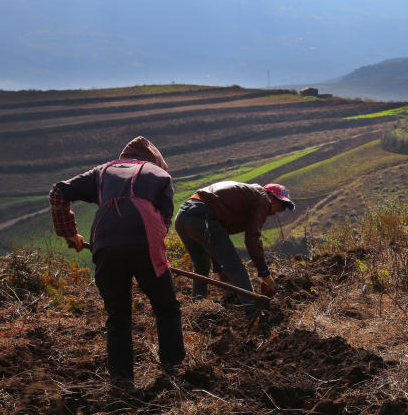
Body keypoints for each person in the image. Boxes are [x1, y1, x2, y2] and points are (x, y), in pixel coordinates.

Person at [50, 136, 184, 381]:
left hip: (105, 244)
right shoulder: (160, 175)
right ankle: (173, 372)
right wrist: (152, 252)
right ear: (154, 161)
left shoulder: (101, 172)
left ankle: (121, 381)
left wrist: (69, 232)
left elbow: (58, 192)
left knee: (118, 315)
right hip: (146, 243)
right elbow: (164, 222)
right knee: (167, 309)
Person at [174, 181, 293, 318]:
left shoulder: (246, 196)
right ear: (271, 196)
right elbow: (252, 239)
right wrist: (265, 275)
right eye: (280, 206)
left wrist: (218, 268)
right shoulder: (262, 198)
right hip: (202, 218)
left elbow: (215, 234)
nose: (276, 212)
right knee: (237, 269)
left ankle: (198, 310)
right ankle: (253, 315)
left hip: (183, 217)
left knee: (200, 266)